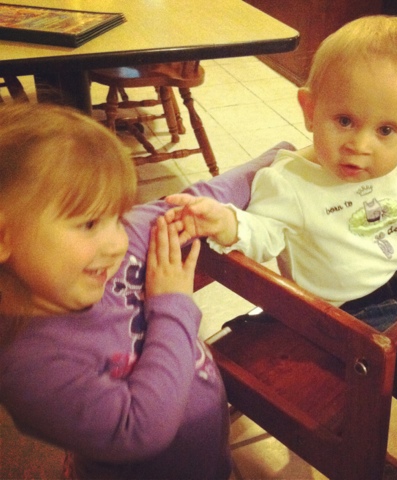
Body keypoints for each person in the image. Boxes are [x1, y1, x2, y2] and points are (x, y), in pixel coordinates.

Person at [164, 15, 397, 457]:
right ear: (310, 109)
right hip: (346, 314)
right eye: (345, 120)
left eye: (386, 130)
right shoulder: (289, 182)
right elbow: (263, 232)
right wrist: (228, 222)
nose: (360, 145)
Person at [0, 102, 285, 479]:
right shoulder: (28, 366)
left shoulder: (110, 253)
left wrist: (282, 160)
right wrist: (173, 304)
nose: (117, 243)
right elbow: (139, 429)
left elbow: (200, 199)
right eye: (89, 224)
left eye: (117, 217)